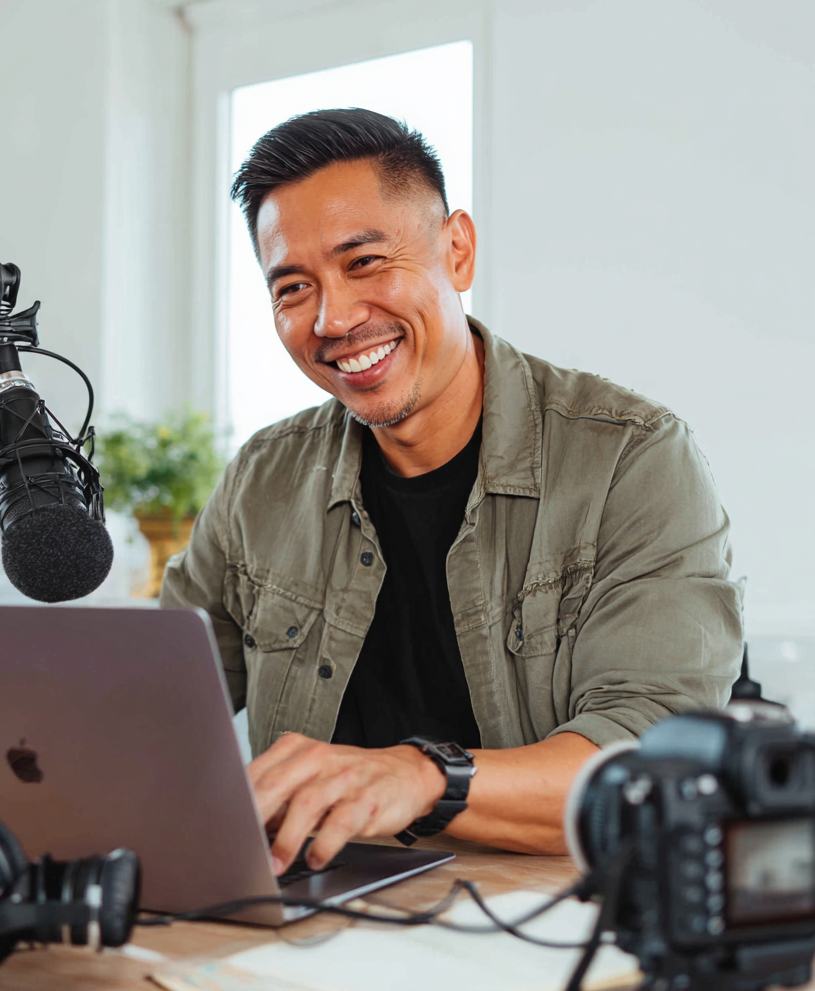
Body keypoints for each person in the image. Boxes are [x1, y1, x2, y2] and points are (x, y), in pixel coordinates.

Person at [161, 109, 741, 875]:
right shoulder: (261, 480)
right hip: (311, 916)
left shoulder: (632, 458)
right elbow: (154, 712)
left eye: (364, 262)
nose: (333, 319)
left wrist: (424, 776)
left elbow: (654, 760)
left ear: (457, 249)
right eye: (294, 287)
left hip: (548, 922)